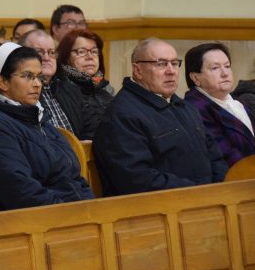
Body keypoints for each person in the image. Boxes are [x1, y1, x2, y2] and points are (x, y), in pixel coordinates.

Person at [93, 38, 228, 196]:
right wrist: (198, 193)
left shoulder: (185, 107)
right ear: (138, 71)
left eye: (175, 63)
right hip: (160, 210)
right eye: (161, 64)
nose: (171, 71)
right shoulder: (122, 115)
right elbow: (137, 179)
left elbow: (216, 156)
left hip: (207, 202)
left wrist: (218, 189)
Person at [0, 43, 93, 210]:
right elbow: (23, 193)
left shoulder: (41, 121)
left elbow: (74, 177)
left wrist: (92, 208)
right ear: (3, 82)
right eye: (27, 76)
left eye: (38, 77)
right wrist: (74, 213)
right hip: (41, 223)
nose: (37, 84)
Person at [184, 43, 255, 167]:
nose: (225, 73)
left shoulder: (237, 102)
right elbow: (225, 154)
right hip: (236, 179)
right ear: (195, 78)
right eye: (215, 68)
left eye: (227, 66)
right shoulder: (194, 109)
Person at [19, 29, 84, 136]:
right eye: (39, 52)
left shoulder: (70, 88)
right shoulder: (21, 93)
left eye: (52, 52)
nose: (46, 58)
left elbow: (85, 127)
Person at [56, 29, 113, 139]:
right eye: (81, 52)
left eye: (94, 51)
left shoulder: (103, 89)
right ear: (66, 57)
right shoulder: (60, 91)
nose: (90, 56)